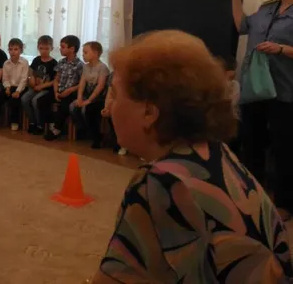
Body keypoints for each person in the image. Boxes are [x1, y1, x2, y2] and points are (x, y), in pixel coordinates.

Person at [92, 30, 292, 284]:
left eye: (115, 94)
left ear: (149, 113)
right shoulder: (218, 153)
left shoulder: (162, 182)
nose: (110, 106)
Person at [231, 0, 293, 221]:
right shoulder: (266, 9)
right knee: (252, 144)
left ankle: (285, 204)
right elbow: (241, 26)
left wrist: (282, 49)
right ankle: (252, 197)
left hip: (284, 92)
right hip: (255, 90)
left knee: (284, 149)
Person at [41, 35, 83, 141]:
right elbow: (56, 78)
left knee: (65, 106)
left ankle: (57, 129)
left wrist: (69, 90)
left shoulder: (79, 64)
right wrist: (55, 91)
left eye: (63, 47)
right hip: (59, 90)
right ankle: (51, 124)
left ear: (72, 49)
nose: (60, 49)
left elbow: (82, 83)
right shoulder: (61, 62)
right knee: (42, 100)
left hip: (71, 92)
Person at [72, 41, 109, 149]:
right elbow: (82, 83)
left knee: (86, 109)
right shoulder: (85, 67)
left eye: (86, 52)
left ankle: (97, 137)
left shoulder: (102, 68)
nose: (83, 55)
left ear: (96, 53)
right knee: (72, 106)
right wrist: (79, 98)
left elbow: (100, 87)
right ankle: (83, 130)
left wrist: (89, 100)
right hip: (87, 95)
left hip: (99, 98)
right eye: (83, 52)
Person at [0, 38, 29, 134]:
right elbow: (5, 79)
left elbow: (24, 79)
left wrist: (18, 91)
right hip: (9, 87)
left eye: (16, 49)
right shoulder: (6, 63)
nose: (13, 52)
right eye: (10, 49)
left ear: (21, 50)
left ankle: (14, 121)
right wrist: (7, 87)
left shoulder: (24, 62)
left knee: (14, 99)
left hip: (21, 87)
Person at [22, 35, 57, 135]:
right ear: (38, 48)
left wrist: (42, 86)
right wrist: (31, 79)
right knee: (24, 99)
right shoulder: (36, 60)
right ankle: (32, 122)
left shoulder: (54, 63)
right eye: (41, 48)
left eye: (46, 48)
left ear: (51, 48)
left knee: (35, 101)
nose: (44, 51)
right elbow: (31, 72)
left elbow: (54, 81)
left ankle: (40, 124)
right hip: (34, 87)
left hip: (46, 89)